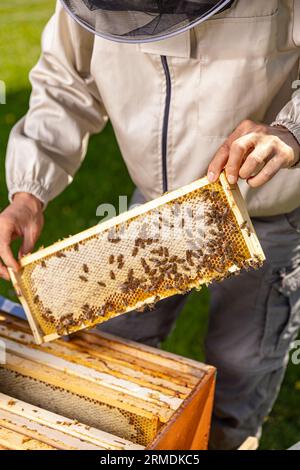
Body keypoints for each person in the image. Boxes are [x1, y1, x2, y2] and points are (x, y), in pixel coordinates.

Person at [1, 0, 300, 449]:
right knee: (111, 346)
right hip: (155, 207)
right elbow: (66, 83)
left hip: (267, 208)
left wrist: (289, 130)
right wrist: (28, 192)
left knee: (241, 364)